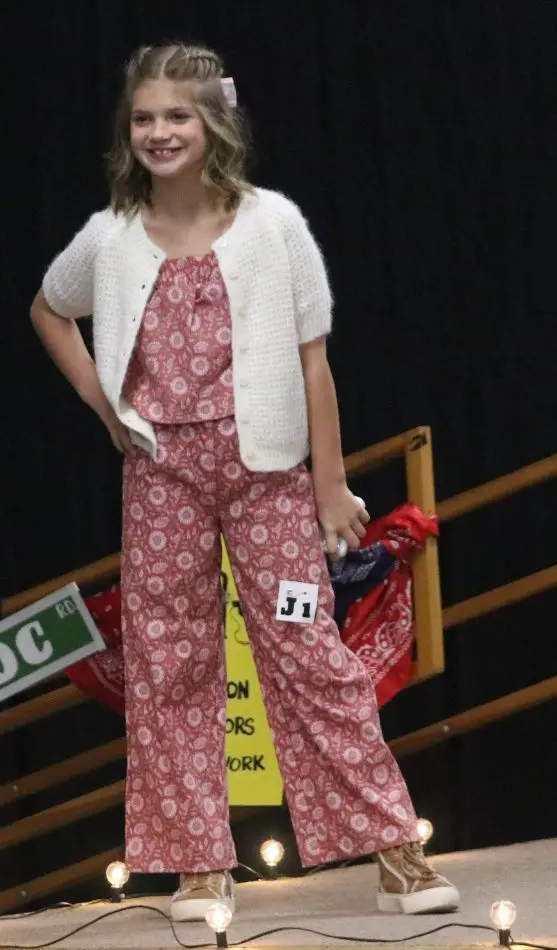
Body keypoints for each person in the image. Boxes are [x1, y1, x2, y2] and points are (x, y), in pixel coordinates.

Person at [30, 43, 459, 921]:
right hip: (162, 475)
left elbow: (313, 364)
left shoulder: (272, 226)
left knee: (307, 651)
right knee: (168, 661)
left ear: (213, 124)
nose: (158, 132)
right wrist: (106, 406)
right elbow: (48, 309)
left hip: (264, 472)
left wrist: (329, 484)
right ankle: (196, 865)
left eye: (176, 116)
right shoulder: (111, 237)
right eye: (144, 118)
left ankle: (394, 850)